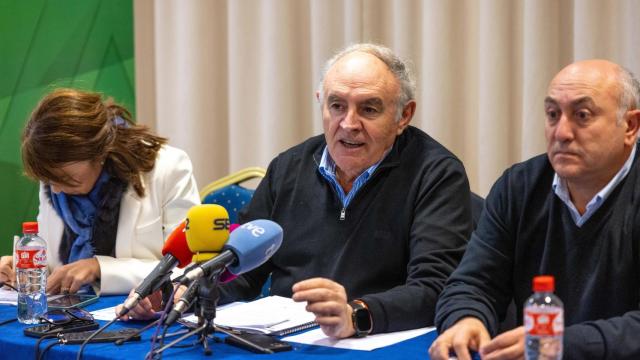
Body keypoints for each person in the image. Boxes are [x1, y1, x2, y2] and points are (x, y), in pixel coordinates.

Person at [221, 43, 471, 338]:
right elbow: (240, 270)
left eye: (369, 109)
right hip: (285, 342)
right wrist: (183, 294)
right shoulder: (288, 168)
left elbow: (435, 286)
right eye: (337, 105)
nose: (349, 123)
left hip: (380, 341)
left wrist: (356, 314)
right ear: (321, 102)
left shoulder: (436, 174)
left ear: (404, 115)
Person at [429, 59, 640, 359]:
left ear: (630, 126)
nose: (562, 132)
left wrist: (560, 343)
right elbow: (473, 283)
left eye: (582, 115)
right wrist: (467, 318)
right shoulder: (519, 186)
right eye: (553, 115)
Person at [0, 88, 200, 295]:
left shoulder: (168, 169)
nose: (56, 189)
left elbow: (188, 268)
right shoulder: (54, 180)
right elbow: (53, 268)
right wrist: (22, 266)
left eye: (67, 178)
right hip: (72, 316)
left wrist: (99, 268)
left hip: (142, 315)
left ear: (100, 153)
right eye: (49, 180)